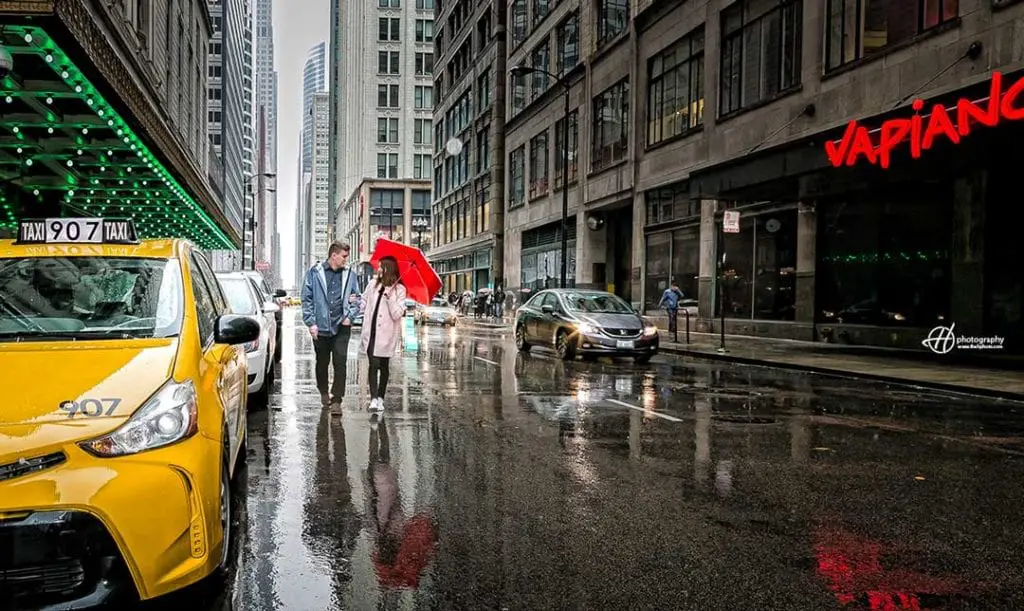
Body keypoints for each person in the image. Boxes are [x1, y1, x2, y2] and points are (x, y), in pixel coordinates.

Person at [301, 241, 361, 409]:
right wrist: (311, 323)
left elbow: (357, 298)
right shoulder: (314, 273)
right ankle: (323, 392)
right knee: (322, 362)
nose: (346, 260)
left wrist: (350, 316)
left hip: (342, 326)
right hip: (320, 327)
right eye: (344, 256)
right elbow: (307, 299)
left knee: (340, 361)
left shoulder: (350, 274)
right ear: (333, 255)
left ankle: (337, 400)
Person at [359, 256, 407, 411]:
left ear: (388, 269)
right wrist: (359, 304)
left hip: (386, 334)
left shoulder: (399, 290)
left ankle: (380, 397)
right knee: (373, 364)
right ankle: (373, 398)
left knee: (383, 366)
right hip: (371, 332)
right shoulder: (373, 284)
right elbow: (364, 300)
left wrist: (390, 298)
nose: (378, 269)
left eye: (381, 267)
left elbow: (397, 314)